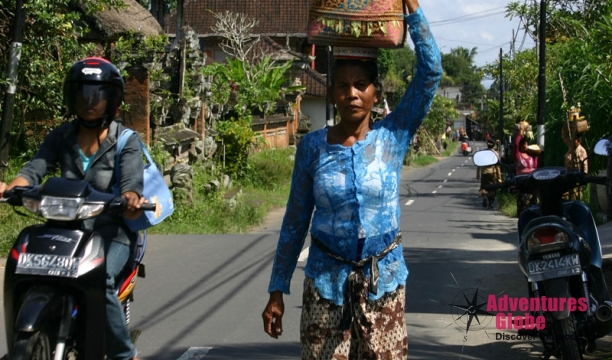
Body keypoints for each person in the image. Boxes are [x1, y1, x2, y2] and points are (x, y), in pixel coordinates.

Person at [261, 0, 442, 358]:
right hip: (325, 289)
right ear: (332, 93)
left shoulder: (394, 136)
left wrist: (413, 12)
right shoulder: (312, 148)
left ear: (376, 92)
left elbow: (431, 73)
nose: (352, 93)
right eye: (343, 85)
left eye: (361, 84)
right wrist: (277, 289)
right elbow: (295, 221)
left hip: (384, 286)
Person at [0, 57, 144, 360]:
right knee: (25, 264)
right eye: (82, 94)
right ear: (71, 98)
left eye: (97, 95)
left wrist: (130, 198)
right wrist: (11, 188)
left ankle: (124, 354)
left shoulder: (126, 140)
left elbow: (131, 181)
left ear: (112, 99)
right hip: (60, 228)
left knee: (101, 277)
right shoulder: (60, 136)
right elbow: (33, 170)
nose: (89, 102)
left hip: (110, 231)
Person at [513, 123, 540, 216]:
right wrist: (520, 132)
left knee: (533, 211)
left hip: (532, 187)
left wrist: (536, 153)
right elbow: (515, 145)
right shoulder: (518, 155)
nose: (526, 145)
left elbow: (535, 166)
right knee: (523, 212)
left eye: (527, 144)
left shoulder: (531, 156)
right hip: (522, 186)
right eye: (524, 144)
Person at [476, 139, 502, 209]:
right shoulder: (495, 153)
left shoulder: (483, 153)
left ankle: (484, 195)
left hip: (484, 173)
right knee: (493, 188)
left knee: (483, 187)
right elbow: (497, 166)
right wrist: (499, 178)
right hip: (492, 174)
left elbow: (478, 164)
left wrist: (478, 174)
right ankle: (490, 202)